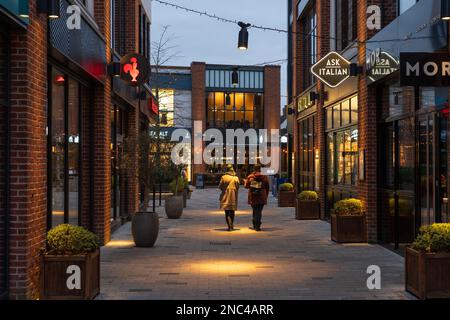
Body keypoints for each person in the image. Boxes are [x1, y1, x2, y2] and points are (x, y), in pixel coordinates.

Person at [244, 165, 270, 231]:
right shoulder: (264, 177)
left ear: (254, 169)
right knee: (259, 211)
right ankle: (257, 225)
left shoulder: (250, 177)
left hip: (253, 195)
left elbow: (246, 186)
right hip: (261, 195)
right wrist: (266, 195)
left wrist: (246, 182)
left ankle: (255, 224)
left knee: (255, 210)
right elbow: (267, 187)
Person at [218, 165, 240, 231]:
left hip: (225, 196)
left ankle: (229, 225)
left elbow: (220, 186)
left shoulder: (223, 177)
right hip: (233, 196)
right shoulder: (236, 178)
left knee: (227, 212)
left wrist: (225, 189)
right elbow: (238, 187)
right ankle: (231, 224)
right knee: (232, 211)